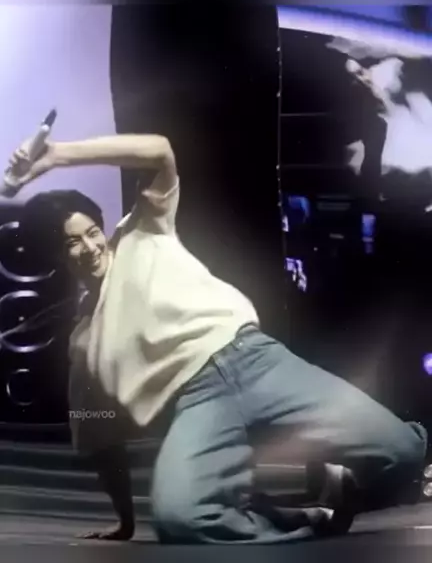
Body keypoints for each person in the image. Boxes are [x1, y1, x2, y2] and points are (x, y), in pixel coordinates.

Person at [11, 132, 427, 544]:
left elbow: (159, 150)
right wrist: (126, 523)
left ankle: (344, 484)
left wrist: (57, 156)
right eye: (71, 243)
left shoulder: (141, 232)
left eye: (91, 232)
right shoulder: (85, 341)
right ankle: (299, 519)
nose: (89, 247)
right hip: (198, 404)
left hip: (255, 362)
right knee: (181, 518)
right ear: (55, 257)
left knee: (404, 453)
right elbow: (101, 442)